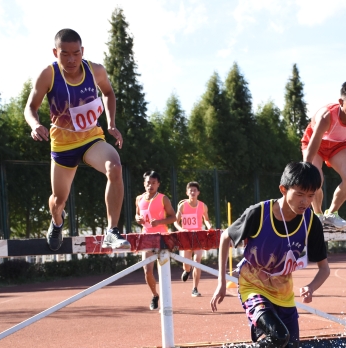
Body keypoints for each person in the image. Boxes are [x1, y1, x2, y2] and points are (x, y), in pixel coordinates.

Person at [211, 162, 330, 348]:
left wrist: (312, 286)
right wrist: (222, 281)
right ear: (283, 189)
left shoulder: (311, 222)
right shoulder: (259, 213)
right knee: (279, 336)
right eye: (299, 194)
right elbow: (225, 238)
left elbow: (324, 269)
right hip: (252, 286)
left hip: (284, 294)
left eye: (311, 196)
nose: (305, 202)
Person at [24, 28, 130, 251]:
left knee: (115, 167)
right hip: (63, 144)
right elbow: (30, 108)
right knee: (58, 200)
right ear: (55, 52)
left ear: (83, 51)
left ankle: (112, 231)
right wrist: (35, 125)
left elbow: (109, 93)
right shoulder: (48, 75)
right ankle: (57, 221)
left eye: (76, 53)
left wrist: (111, 123)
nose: (71, 59)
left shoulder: (96, 71)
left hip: (92, 139)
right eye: (65, 54)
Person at [301, 80, 346, 229]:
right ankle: (318, 215)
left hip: (339, 145)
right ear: (341, 102)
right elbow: (315, 140)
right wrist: (306, 166)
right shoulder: (327, 116)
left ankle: (332, 214)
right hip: (315, 144)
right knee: (315, 179)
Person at [135, 171, 177, 311]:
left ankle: (166, 303)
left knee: (163, 270)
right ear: (144, 184)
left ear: (158, 184)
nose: (150, 185)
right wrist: (137, 219)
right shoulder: (139, 199)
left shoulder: (163, 199)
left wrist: (159, 221)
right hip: (146, 238)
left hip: (162, 238)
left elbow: (173, 217)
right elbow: (137, 214)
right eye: (148, 183)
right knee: (147, 271)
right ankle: (155, 295)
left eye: (153, 183)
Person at [174, 181, 212, 297]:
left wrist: (209, 226)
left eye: (195, 190)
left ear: (198, 193)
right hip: (186, 237)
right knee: (187, 263)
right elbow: (176, 222)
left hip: (198, 237)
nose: (192, 192)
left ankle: (195, 288)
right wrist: (181, 229)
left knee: (197, 261)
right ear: (187, 193)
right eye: (190, 190)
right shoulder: (182, 206)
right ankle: (187, 270)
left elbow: (206, 219)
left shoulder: (203, 206)